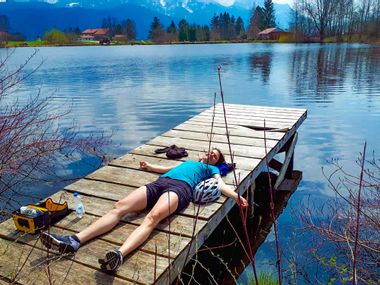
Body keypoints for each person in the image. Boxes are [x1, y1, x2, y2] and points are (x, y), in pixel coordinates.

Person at [40, 148, 248, 272]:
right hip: (159, 183)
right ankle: (74, 240)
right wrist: (148, 166)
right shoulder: (188, 161)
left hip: (180, 189)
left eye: (215, 156)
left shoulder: (210, 169)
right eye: (211, 152)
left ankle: (119, 255)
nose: (212, 155)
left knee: (152, 218)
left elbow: (220, 185)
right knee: (119, 207)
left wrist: (236, 196)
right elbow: (164, 169)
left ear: (216, 162)